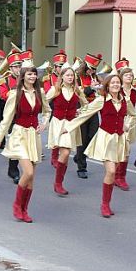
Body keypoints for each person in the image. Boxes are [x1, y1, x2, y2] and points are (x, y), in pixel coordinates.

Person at [63, 74, 135, 218]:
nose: (115, 85)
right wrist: (69, 126)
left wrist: (127, 124)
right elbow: (86, 113)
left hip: (119, 139)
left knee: (114, 170)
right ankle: (105, 204)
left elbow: (133, 114)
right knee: (112, 171)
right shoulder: (101, 100)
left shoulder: (125, 100)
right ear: (107, 85)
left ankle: (106, 202)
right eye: (113, 83)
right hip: (106, 139)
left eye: (118, 83)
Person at [0, 62, 50, 221]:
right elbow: (6, 119)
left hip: (33, 136)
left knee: (31, 179)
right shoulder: (15, 94)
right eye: (29, 74)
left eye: (34, 73)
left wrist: (44, 124)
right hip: (19, 135)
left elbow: (47, 110)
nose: (32, 76)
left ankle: (25, 210)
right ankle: (17, 205)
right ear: (23, 76)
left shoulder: (40, 93)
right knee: (28, 172)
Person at [46, 64, 87, 196]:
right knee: (64, 153)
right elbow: (43, 103)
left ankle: (58, 182)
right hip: (58, 123)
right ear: (62, 76)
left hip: (71, 124)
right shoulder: (55, 89)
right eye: (67, 75)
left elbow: (86, 105)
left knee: (65, 153)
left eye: (72, 75)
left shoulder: (77, 90)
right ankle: (58, 183)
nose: (70, 77)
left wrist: (79, 111)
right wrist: (46, 117)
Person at [115, 61, 136, 190]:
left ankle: (121, 177)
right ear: (121, 77)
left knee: (126, 151)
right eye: (126, 75)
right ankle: (116, 175)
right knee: (120, 149)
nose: (129, 77)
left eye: (131, 75)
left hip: (131, 122)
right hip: (120, 121)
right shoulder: (117, 89)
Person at [74, 53, 103, 179]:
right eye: (90, 68)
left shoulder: (96, 78)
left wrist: (99, 88)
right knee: (83, 138)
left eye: (94, 69)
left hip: (93, 110)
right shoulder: (77, 77)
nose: (92, 71)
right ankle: (82, 167)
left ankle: (79, 157)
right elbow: (78, 94)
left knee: (92, 136)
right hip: (81, 110)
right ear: (85, 66)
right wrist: (91, 88)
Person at [0, 50, 23, 183]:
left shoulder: (25, 79)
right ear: (11, 67)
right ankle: (13, 170)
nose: (18, 69)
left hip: (24, 113)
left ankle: (18, 168)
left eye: (20, 66)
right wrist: (15, 91)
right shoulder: (5, 80)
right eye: (15, 66)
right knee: (15, 142)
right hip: (12, 114)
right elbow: (3, 95)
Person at [42, 49, 67, 168]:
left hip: (65, 106)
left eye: (63, 66)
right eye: (59, 66)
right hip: (53, 105)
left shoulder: (68, 77)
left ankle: (62, 155)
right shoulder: (48, 77)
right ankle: (54, 157)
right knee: (55, 133)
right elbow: (47, 93)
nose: (61, 69)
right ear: (55, 67)